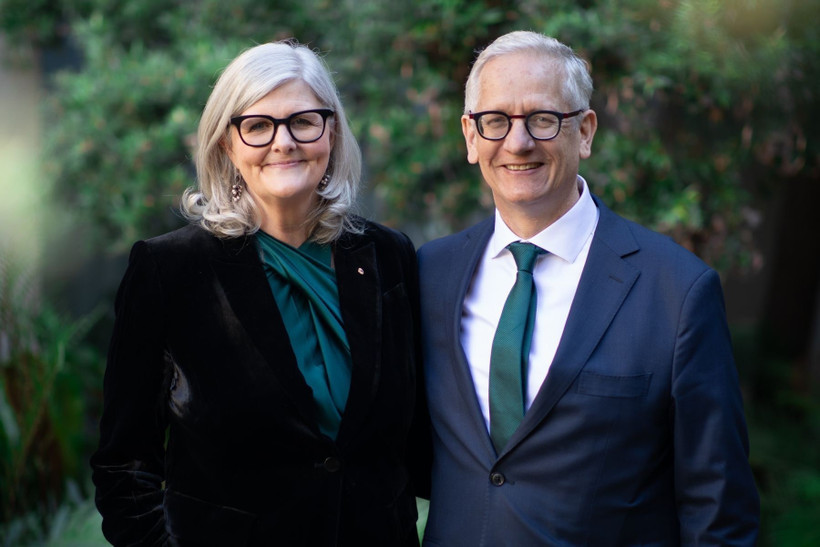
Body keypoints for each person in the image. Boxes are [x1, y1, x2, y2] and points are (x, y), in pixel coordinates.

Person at [418, 31, 759, 545]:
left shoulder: (677, 291)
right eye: (496, 120)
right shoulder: (431, 273)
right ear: (471, 136)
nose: (518, 142)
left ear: (584, 131)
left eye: (542, 118)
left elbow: (718, 510)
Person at [91, 40, 428, 546]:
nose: (283, 142)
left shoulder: (387, 256)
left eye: (303, 121)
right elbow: (125, 464)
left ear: (332, 133)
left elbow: (419, 440)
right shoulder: (169, 270)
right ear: (227, 144)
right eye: (257, 126)